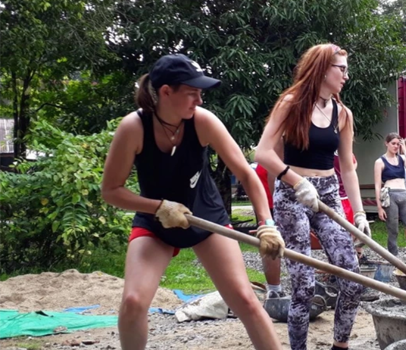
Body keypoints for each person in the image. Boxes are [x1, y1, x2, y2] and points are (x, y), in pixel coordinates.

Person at [101, 54, 284, 350]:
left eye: (201, 93)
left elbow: (247, 175)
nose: (199, 100)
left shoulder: (203, 121)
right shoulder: (133, 128)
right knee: (133, 302)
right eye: (192, 93)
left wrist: (267, 224)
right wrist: (159, 207)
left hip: (206, 218)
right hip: (155, 221)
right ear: (165, 92)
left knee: (246, 301)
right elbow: (111, 191)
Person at [255, 43, 369, 350]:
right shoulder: (291, 104)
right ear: (322, 69)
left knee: (353, 279)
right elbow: (262, 152)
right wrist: (295, 181)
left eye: (346, 69)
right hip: (292, 196)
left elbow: (347, 167)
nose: (346, 75)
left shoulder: (343, 113)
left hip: (329, 194)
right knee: (304, 286)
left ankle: (339, 346)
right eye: (341, 69)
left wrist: (359, 214)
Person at [374, 132, 406, 253]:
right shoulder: (380, 161)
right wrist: (379, 207)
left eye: (398, 144)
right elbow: (377, 185)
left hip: (404, 194)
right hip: (390, 195)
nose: (395, 146)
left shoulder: (402, 158)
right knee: (393, 230)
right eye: (393, 143)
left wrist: (405, 150)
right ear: (386, 144)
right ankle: (394, 258)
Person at [255, 163, 284, 299]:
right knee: (271, 242)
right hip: (274, 205)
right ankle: (275, 291)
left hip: (267, 205)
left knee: (270, 242)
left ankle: (275, 289)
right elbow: (274, 174)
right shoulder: (278, 148)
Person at [333, 152, 364, 259]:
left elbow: (354, 164)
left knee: (353, 228)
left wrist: (345, 172)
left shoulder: (344, 150)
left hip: (345, 196)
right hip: (334, 196)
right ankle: (343, 258)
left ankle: (358, 256)